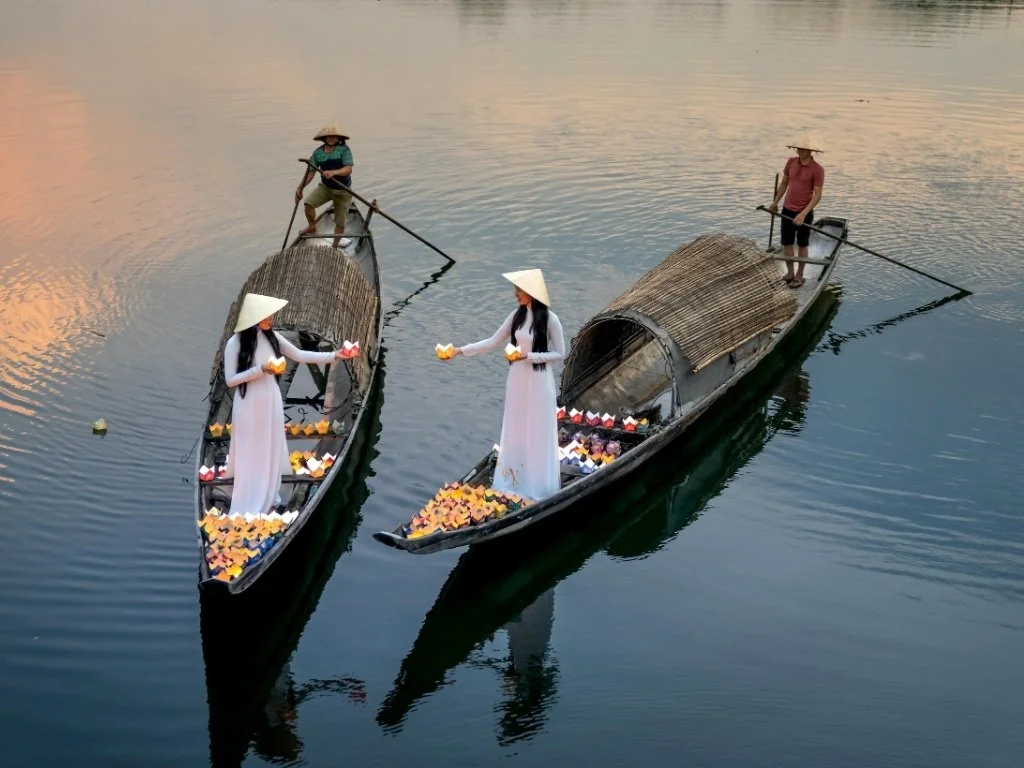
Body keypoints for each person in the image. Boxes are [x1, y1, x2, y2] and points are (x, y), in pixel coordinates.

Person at [223, 293, 358, 517]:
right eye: (267, 316)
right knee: (251, 445)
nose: (271, 319)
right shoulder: (234, 344)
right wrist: (261, 370)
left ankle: (271, 492)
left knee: (270, 443)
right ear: (255, 318)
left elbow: (300, 355)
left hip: (271, 399)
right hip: (248, 402)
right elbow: (230, 380)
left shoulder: (272, 336)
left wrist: (336, 355)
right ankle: (250, 492)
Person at [443, 270, 566, 501]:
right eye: (516, 289)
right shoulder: (516, 317)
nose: (515, 294)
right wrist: (459, 351)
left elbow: (561, 354)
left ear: (531, 292)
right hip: (517, 380)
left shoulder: (551, 319)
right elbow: (491, 342)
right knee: (516, 427)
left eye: (519, 290)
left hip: (539, 381)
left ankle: (537, 488)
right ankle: (513, 481)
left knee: (537, 428)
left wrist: (529, 357)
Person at [769, 136, 825, 289]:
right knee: (786, 242)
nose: (799, 151)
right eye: (798, 148)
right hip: (787, 209)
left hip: (804, 212)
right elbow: (784, 182)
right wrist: (775, 202)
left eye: (803, 149)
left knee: (802, 243)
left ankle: (800, 275)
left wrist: (804, 213)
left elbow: (817, 195)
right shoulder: (791, 162)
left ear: (810, 151)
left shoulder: (817, 170)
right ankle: (790, 273)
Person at [295, 124, 354, 248]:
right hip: (325, 187)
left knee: (340, 222)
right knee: (308, 204)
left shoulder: (344, 150)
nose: (331, 139)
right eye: (329, 137)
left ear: (338, 138)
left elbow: (348, 169)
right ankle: (312, 226)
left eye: (334, 136)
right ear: (324, 138)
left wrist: (334, 172)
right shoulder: (317, 153)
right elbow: (310, 173)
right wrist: (300, 188)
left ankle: (334, 247)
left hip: (343, 190)